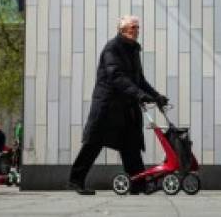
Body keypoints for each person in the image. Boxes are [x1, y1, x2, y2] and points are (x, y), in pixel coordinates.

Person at [68, 14, 168, 195]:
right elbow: (116, 77)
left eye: (138, 28)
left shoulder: (133, 50)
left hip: (126, 106)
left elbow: (139, 80)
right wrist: (140, 95)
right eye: (133, 28)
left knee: (131, 145)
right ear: (122, 30)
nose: (137, 31)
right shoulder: (112, 48)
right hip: (107, 106)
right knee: (93, 143)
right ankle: (76, 180)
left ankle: (139, 184)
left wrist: (156, 96)